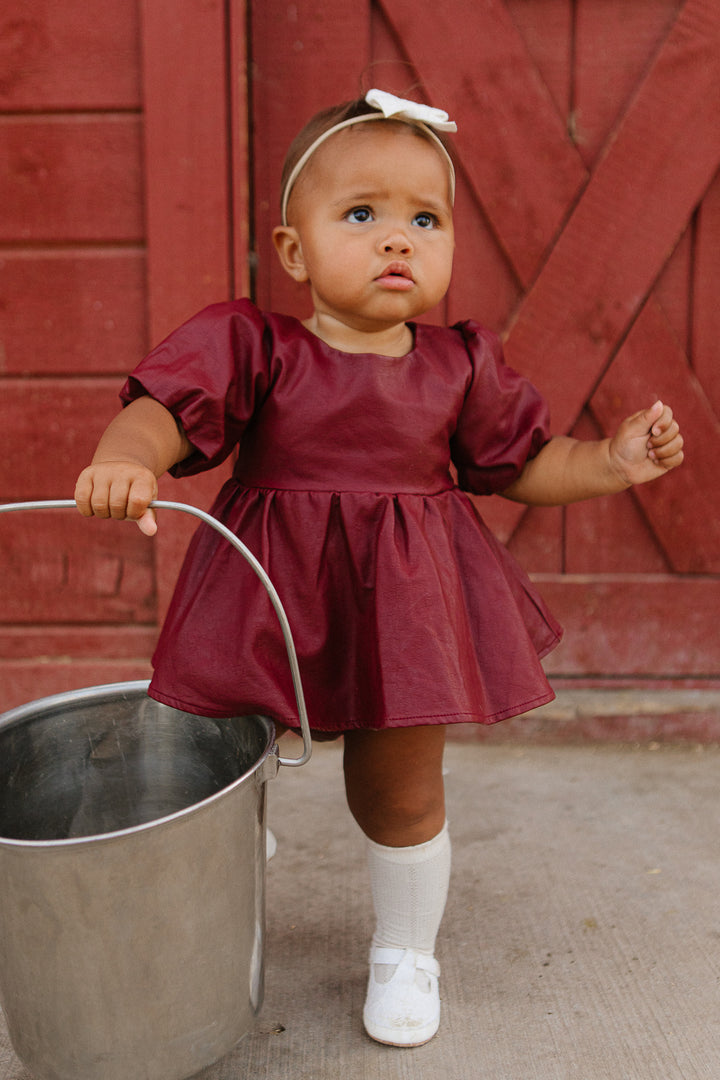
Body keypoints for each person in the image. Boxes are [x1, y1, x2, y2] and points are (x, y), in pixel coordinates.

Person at [75, 89, 684, 1047]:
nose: (396, 239)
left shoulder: (459, 366)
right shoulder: (255, 346)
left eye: (424, 219)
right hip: (267, 597)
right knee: (215, 756)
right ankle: (222, 868)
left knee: (398, 789)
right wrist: (128, 457)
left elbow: (520, 464)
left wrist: (609, 461)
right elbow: (162, 409)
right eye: (362, 214)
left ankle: (406, 951)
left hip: (403, 607)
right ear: (293, 251)